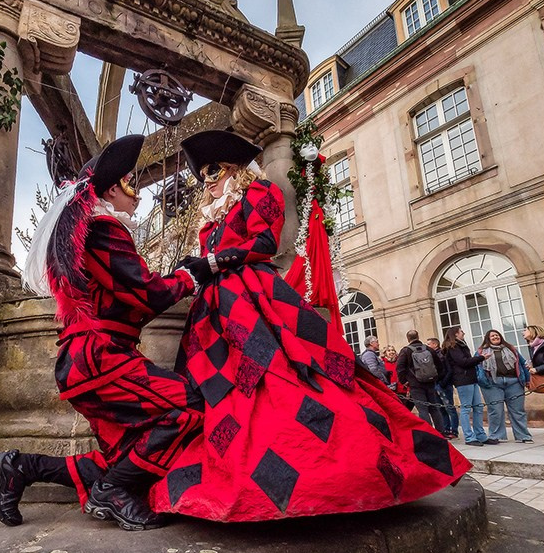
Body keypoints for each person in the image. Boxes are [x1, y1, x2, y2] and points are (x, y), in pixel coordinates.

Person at [148, 130, 471, 522]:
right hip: (214, 311)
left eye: (213, 171)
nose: (208, 182)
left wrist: (214, 262)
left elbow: (265, 244)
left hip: (251, 298)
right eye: (203, 176)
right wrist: (196, 267)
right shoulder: (212, 218)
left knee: (276, 373)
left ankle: (325, 477)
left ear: (233, 169)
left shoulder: (258, 192)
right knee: (218, 389)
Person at [0, 134, 204, 532]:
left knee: (126, 452)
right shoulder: (103, 228)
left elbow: (128, 292)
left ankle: (19, 468)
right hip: (101, 358)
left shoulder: (90, 228)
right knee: (189, 407)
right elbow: (145, 293)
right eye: (129, 185)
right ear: (110, 190)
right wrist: (191, 276)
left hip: (87, 360)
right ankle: (113, 491)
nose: (137, 194)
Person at [478, 329, 533, 444]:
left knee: (518, 410)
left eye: (497, 335)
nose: (495, 337)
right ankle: (496, 436)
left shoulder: (511, 349)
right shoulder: (481, 351)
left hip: (514, 382)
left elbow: (523, 363)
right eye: (492, 336)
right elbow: (476, 366)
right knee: (495, 411)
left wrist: (527, 380)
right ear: (488, 339)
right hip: (492, 384)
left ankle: (523, 436)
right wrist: (481, 380)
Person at [442, 326, 488, 445]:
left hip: (471, 378)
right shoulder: (453, 347)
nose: (463, 333)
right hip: (463, 379)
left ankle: (480, 435)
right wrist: (481, 358)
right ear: (456, 334)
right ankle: (469, 436)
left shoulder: (461, 345)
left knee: (478, 407)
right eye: (461, 331)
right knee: (466, 408)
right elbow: (463, 362)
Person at [395, 330, 447, 435]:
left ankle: (429, 433)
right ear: (418, 336)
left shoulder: (406, 351)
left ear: (408, 339)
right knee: (434, 408)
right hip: (430, 382)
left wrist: (404, 381)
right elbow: (439, 365)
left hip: (415, 384)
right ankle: (441, 432)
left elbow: (399, 368)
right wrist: (435, 378)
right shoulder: (428, 349)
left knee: (422, 409)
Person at [427, 335, 459, 439]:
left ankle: (454, 430)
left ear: (435, 344)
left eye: (429, 344)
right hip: (435, 384)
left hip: (444, 385)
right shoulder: (430, 356)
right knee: (441, 409)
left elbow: (448, 370)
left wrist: (443, 383)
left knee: (450, 408)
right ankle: (446, 428)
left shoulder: (442, 355)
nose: (427, 346)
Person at [525, 324, 544, 388]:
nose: (523, 332)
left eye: (525, 330)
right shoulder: (533, 347)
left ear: (532, 331)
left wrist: (537, 369)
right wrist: (532, 365)